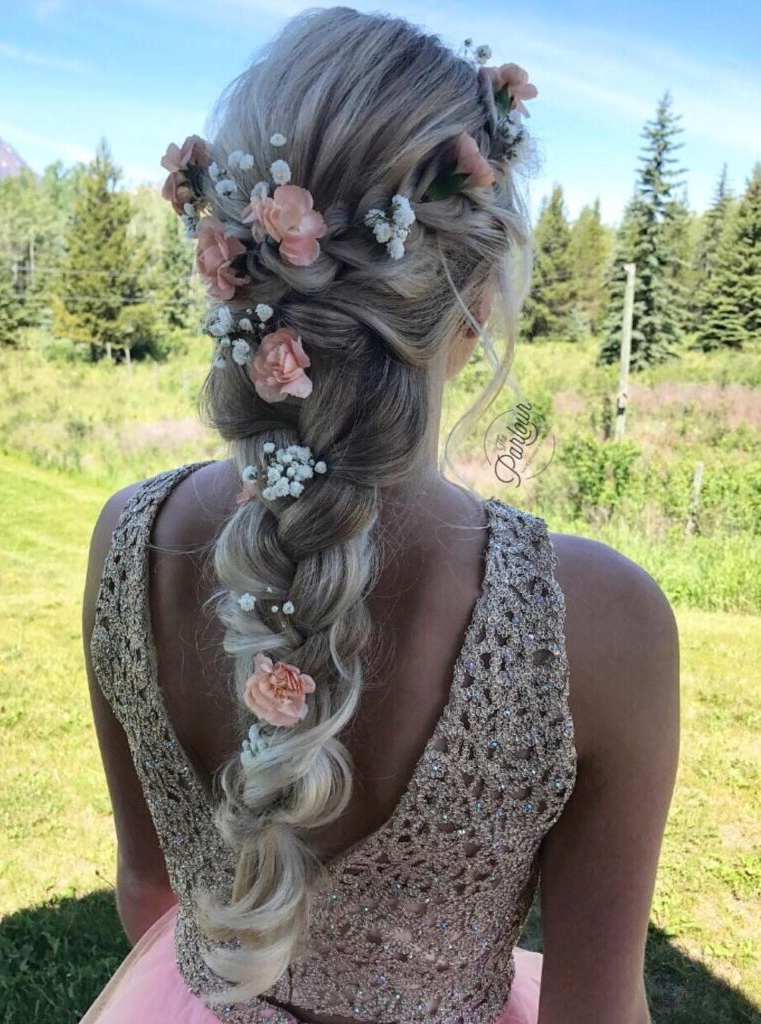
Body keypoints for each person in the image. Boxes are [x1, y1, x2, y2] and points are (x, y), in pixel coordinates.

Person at [80, 8, 680, 1024]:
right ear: (477, 298)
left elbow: (148, 892)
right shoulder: (600, 623)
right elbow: (597, 1012)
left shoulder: (129, 539)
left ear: (233, 269)